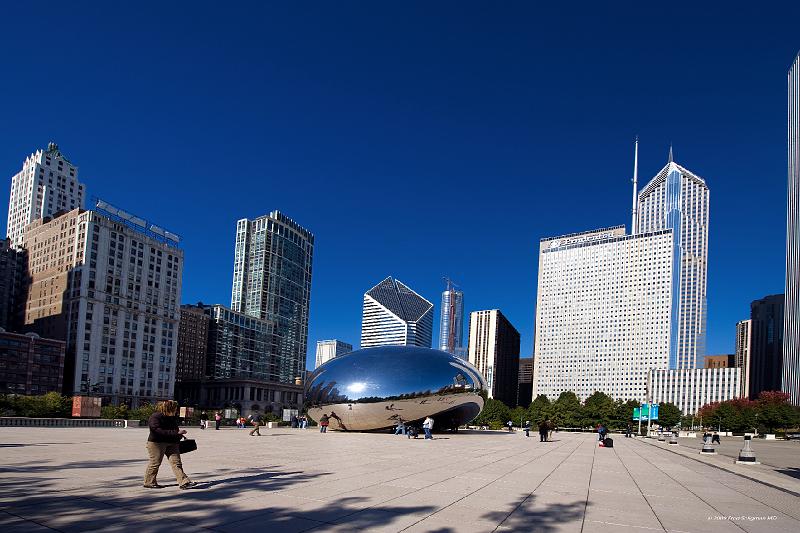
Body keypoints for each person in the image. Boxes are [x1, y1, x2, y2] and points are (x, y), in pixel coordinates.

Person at [143, 400, 196, 490]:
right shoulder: (156, 416)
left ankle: (184, 482)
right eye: (175, 408)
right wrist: (176, 432)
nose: (176, 410)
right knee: (155, 463)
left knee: (177, 463)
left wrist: (179, 434)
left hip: (172, 443)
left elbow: (175, 429)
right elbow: (156, 430)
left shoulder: (172, 417)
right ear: (169, 408)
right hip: (156, 443)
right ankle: (149, 482)